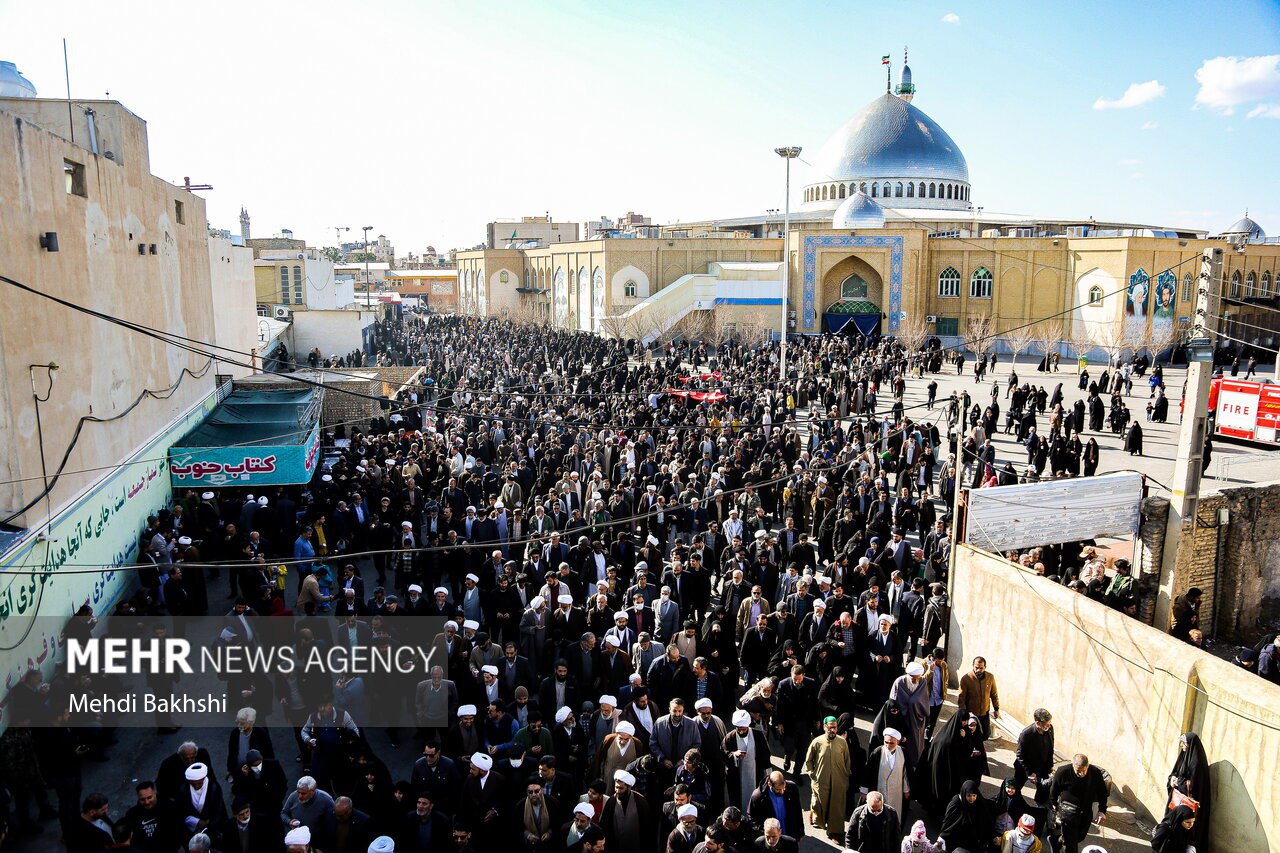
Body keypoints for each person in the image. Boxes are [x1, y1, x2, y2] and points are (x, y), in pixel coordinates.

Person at [802, 716, 850, 844]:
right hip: (820, 779)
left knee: (837, 806)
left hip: (838, 780)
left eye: (835, 727)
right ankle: (817, 817)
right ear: (824, 727)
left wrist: (845, 778)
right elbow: (809, 760)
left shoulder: (842, 742)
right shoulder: (817, 742)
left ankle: (835, 832)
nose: (833, 730)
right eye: (830, 728)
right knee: (820, 802)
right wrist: (812, 774)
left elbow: (847, 761)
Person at [1049, 754, 1108, 853]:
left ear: (1088, 766)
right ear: (1073, 765)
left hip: (1086, 811)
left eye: (1083, 771)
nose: (1080, 774)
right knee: (1071, 844)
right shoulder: (1062, 772)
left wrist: (1102, 811)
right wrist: (1054, 803)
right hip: (1068, 812)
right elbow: (1054, 790)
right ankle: (1061, 842)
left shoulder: (1095, 773)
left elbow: (1102, 793)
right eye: (1078, 771)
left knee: (1079, 837)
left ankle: (1055, 841)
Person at [1164, 733, 1210, 853]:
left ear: (1191, 745)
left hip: (1187, 804)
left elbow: (1196, 786)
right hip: (1177, 800)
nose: (1182, 745)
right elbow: (1175, 772)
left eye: (1184, 743)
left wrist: (1179, 782)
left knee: (1185, 830)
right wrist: (1172, 778)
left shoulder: (1197, 763)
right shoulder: (1184, 756)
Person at [939, 780, 994, 853]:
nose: (972, 799)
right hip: (957, 842)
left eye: (974, 796)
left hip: (974, 842)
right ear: (964, 794)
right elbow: (948, 824)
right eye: (969, 796)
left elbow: (986, 821)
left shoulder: (980, 804)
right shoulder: (956, 804)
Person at [956, 656, 1000, 740]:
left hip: (984, 713)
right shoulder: (966, 679)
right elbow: (961, 699)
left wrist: (996, 708)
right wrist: (964, 714)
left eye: (981, 668)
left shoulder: (990, 677)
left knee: (985, 734)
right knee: (971, 735)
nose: (978, 670)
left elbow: (994, 694)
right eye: (976, 667)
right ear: (973, 666)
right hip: (972, 714)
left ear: (985, 667)